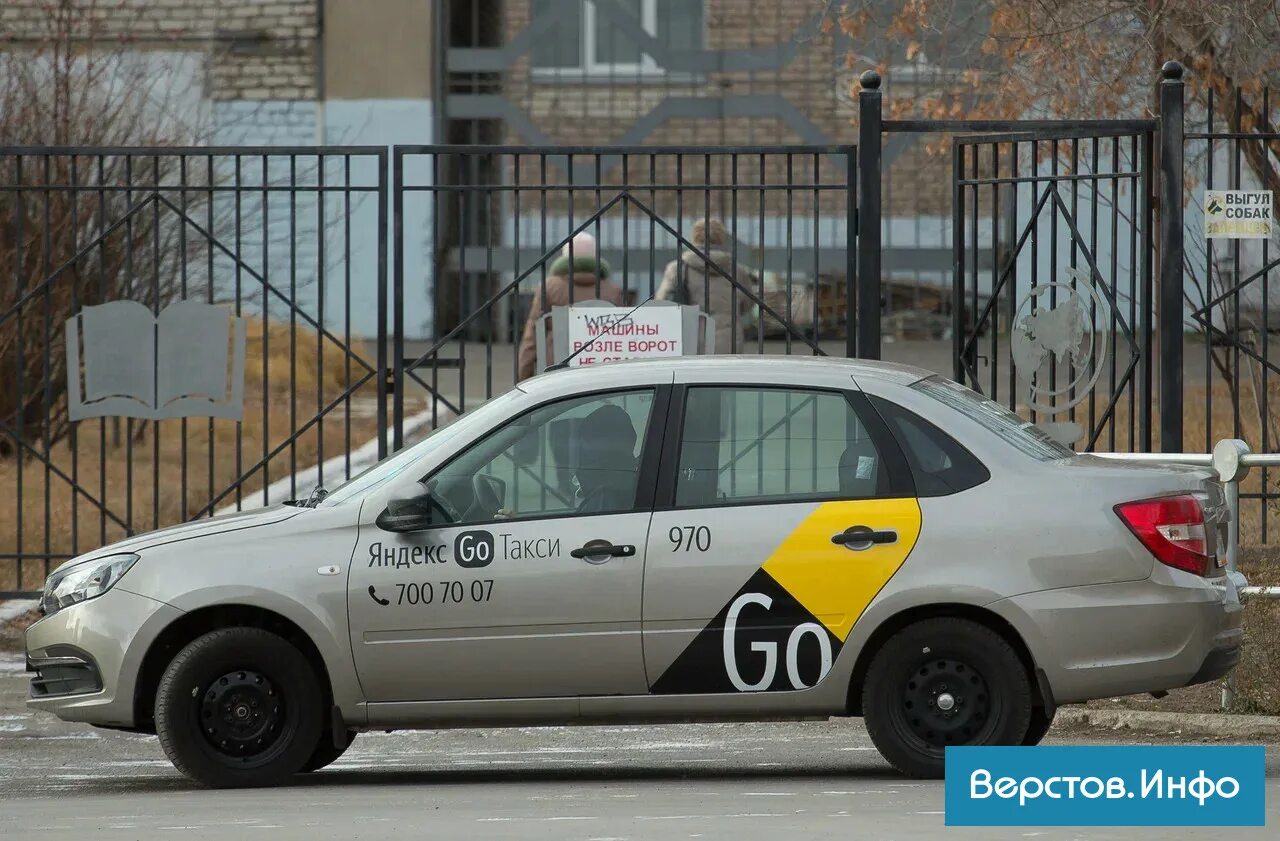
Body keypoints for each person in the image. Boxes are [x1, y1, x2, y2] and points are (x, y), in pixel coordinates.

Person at [517, 232, 624, 381]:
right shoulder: (613, 291)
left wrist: (523, 377)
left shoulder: (548, 288)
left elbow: (532, 338)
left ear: (565, 257)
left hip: (556, 371)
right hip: (601, 372)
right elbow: (622, 337)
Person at [655, 218, 752, 353]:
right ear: (722, 238)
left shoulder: (678, 268)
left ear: (694, 237)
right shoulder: (737, 270)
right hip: (728, 340)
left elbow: (662, 301)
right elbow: (747, 304)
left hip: (689, 338)